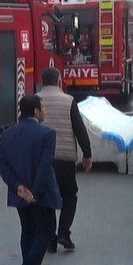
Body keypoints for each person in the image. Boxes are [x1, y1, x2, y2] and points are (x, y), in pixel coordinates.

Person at [0, 95, 61, 265]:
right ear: (35, 111)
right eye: (42, 108)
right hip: (40, 195)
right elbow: (44, 166)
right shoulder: (47, 134)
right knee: (47, 231)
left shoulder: (7, 135)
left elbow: (1, 165)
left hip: (20, 195)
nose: (44, 112)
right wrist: (35, 192)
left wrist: (18, 188)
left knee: (28, 231)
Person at [37, 68, 93, 252]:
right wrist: (87, 154)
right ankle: (64, 233)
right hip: (65, 158)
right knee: (69, 196)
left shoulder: (34, 101)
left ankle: (50, 239)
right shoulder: (68, 101)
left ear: (42, 81)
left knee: (46, 199)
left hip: (42, 160)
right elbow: (80, 129)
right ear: (59, 81)